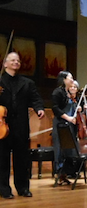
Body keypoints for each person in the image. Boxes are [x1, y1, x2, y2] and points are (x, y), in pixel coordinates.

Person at [0, 52, 45, 199]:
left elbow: (36, 99)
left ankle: (23, 188)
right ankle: (4, 189)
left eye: (18, 60)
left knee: (22, 159)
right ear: (5, 64)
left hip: (21, 126)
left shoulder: (27, 83)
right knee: (2, 159)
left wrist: (39, 109)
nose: (16, 62)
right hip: (1, 126)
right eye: (12, 60)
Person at [51, 71, 79, 184]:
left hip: (70, 125)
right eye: (70, 78)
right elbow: (55, 108)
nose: (72, 80)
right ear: (64, 79)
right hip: (61, 124)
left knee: (69, 149)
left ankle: (65, 174)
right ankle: (59, 174)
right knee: (60, 149)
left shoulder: (69, 93)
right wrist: (68, 118)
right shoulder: (57, 92)